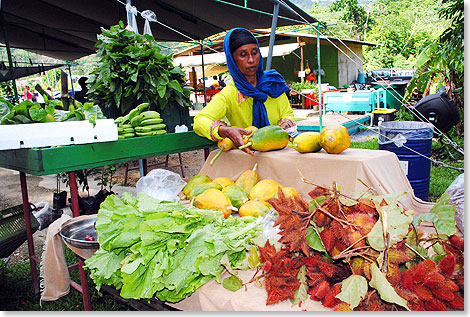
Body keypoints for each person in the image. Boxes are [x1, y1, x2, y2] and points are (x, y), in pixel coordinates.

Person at [194, 28, 297, 156]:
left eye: (254, 53)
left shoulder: (273, 83)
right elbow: (200, 121)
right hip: (248, 155)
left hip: (280, 153)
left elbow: (287, 113)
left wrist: (285, 125)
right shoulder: (230, 94)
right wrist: (224, 130)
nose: (251, 60)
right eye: (243, 55)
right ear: (232, 60)